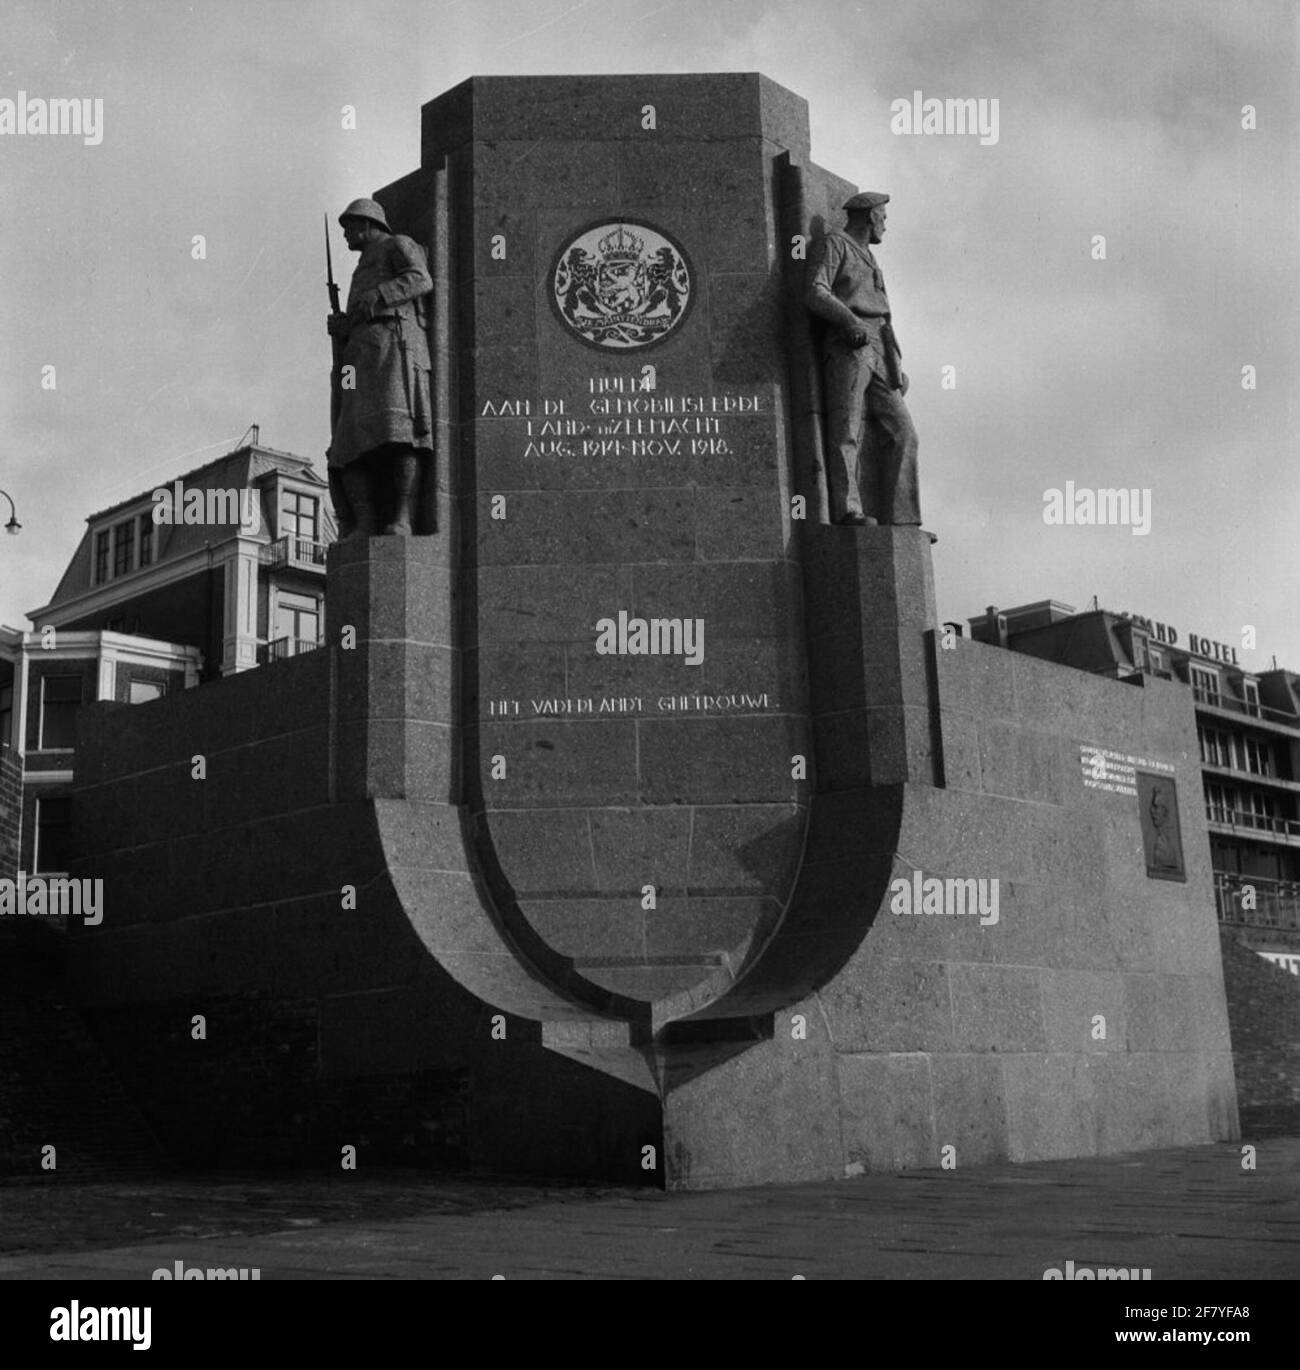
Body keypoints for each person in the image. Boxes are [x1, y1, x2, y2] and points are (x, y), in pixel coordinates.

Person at [805, 191, 920, 527]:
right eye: (883, 217)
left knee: (905, 433)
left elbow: (884, 318)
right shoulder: (835, 244)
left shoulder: (869, 257)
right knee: (847, 429)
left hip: (881, 350)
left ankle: (902, 520)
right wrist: (848, 321)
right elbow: (815, 291)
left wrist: (896, 364)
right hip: (850, 345)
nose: (885, 225)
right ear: (870, 216)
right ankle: (847, 510)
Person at [327, 198, 434, 536]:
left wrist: (379, 295)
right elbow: (360, 313)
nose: (346, 235)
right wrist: (343, 325)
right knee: (348, 444)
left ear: (367, 223)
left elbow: (421, 279)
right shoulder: (362, 264)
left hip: (393, 347)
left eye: (349, 227)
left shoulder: (397, 244)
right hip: (359, 357)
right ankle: (366, 522)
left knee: (398, 434)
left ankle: (402, 517)